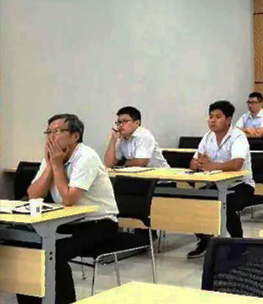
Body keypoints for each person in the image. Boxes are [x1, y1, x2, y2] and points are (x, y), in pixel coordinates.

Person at [19, 114, 119, 304]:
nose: (51, 137)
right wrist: (50, 165)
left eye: (57, 131)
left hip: (99, 224)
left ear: (75, 135)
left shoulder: (86, 156)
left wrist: (57, 165)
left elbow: (68, 199)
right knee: (28, 250)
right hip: (68, 222)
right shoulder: (53, 157)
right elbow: (33, 194)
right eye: (48, 132)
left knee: (52, 253)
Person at [187, 100, 255, 259]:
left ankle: (239, 245)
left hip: (241, 185)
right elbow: (193, 162)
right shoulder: (208, 137)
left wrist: (211, 165)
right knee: (193, 201)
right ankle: (205, 239)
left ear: (229, 119)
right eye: (211, 116)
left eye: (218, 117)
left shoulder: (238, 136)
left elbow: (236, 164)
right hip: (216, 184)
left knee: (227, 205)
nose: (212, 120)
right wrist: (197, 164)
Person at [103, 106, 170, 168]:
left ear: (137, 123)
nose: (120, 125)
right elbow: (108, 164)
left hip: (161, 175)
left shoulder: (144, 135)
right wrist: (113, 140)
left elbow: (140, 162)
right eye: (119, 122)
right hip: (136, 175)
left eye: (125, 121)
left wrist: (122, 163)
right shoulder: (121, 138)